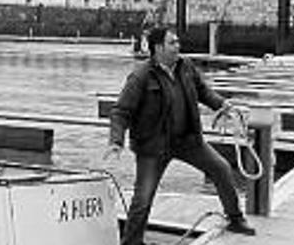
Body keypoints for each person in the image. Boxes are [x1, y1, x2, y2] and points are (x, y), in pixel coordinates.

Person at [104, 26, 256, 245]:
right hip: (153, 146)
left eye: (177, 42)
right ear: (158, 48)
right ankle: (132, 242)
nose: (178, 46)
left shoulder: (186, 66)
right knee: (143, 198)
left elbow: (203, 91)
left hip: (188, 141)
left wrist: (223, 105)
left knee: (221, 168)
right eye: (172, 43)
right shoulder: (141, 76)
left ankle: (235, 218)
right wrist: (116, 141)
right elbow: (120, 111)